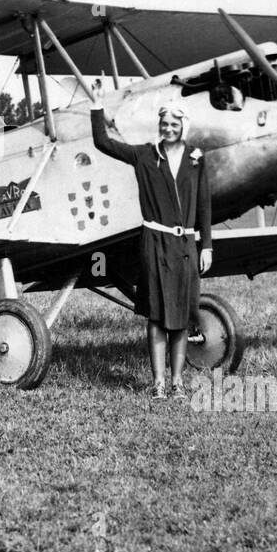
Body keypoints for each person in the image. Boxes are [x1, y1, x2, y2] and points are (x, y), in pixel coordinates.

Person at [90, 80, 212, 401]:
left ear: (183, 127)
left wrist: (207, 245)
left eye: (174, 124)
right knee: (157, 316)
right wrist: (96, 104)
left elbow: (204, 205)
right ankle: (158, 384)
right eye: (164, 124)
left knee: (182, 318)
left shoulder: (196, 158)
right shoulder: (144, 156)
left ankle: (178, 383)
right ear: (159, 126)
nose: (168, 128)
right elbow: (102, 141)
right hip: (154, 244)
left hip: (185, 246)